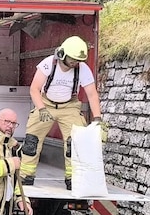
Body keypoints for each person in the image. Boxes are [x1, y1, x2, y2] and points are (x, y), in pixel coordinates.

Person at [20, 36, 103, 190]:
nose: (74, 63)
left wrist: (97, 118)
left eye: (78, 60)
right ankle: (26, 175)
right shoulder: (47, 64)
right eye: (72, 59)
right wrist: (41, 108)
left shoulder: (82, 69)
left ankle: (73, 178)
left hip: (69, 106)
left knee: (76, 143)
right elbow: (34, 89)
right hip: (45, 103)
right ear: (62, 54)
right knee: (32, 140)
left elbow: (92, 94)